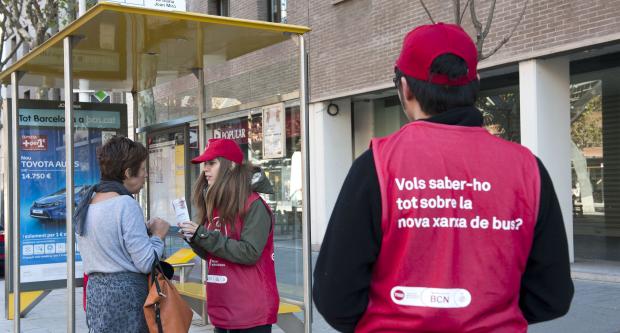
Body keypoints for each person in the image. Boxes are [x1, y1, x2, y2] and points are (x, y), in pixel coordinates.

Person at [313, 23, 574, 332]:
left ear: (405, 88)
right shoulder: (528, 168)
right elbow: (553, 296)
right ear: (475, 84)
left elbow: (335, 298)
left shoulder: (377, 165)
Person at [178, 138, 279, 333]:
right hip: (224, 308)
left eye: (211, 163)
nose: (205, 169)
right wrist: (194, 238)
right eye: (204, 164)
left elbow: (249, 253)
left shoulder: (253, 204)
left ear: (231, 165)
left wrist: (204, 235)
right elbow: (214, 253)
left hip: (251, 312)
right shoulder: (215, 204)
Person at [75, 136, 170, 333]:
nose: (146, 176)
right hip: (126, 298)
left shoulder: (88, 202)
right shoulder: (126, 204)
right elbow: (145, 262)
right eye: (143, 170)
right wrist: (158, 235)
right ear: (128, 173)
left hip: (96, 295)